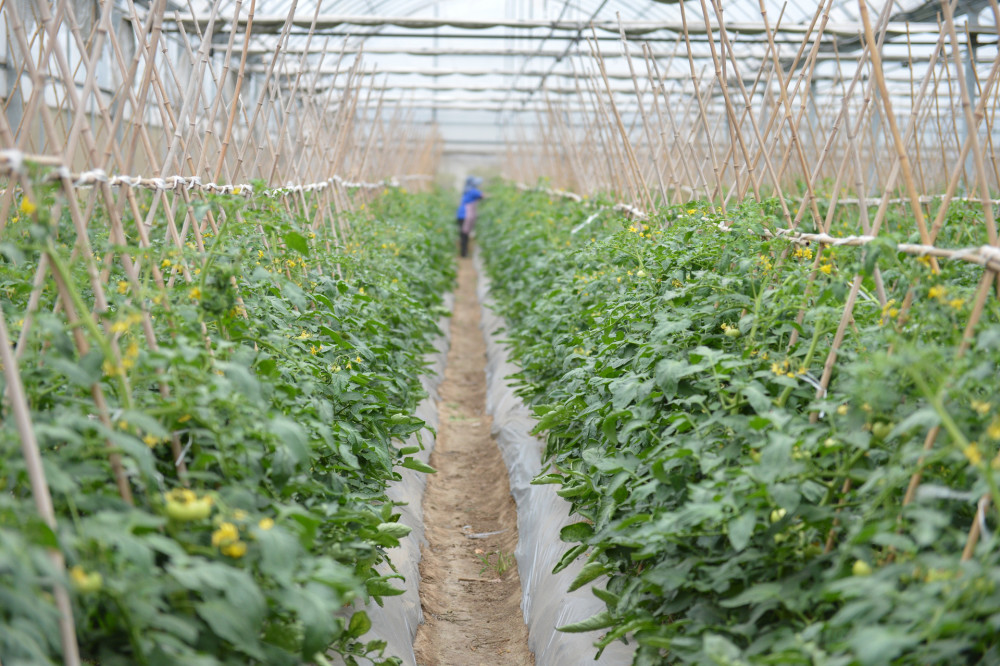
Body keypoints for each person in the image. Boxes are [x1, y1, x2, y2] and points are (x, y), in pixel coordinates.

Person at [456, 176, 484, 257]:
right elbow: (482, 196)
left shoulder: (466, 190)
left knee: (463, 235)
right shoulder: (473, 191)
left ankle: (463, 252)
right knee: (465, 235)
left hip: (460, 214)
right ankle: (464, 253)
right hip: (466, 214)